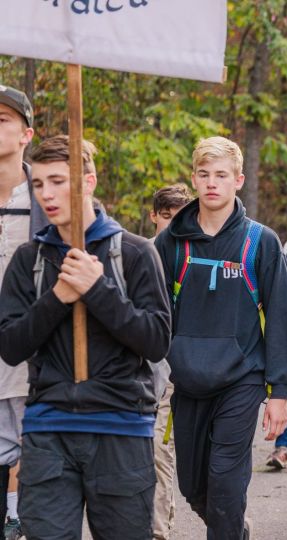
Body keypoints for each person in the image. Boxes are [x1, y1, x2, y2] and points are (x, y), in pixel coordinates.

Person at [0, 135, 171, 538]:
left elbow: (156, 341)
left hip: (122, 428)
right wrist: (58, 298)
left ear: (88, 182)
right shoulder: (31, 260)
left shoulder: (134, 253)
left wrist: (98, 290)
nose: (47, 194)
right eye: (39, 184)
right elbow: (11, 346)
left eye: (58, 181)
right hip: (47, 429)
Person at [155, 136, 287, 539]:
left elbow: (282, 319)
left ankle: (227, 528)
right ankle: (233, 529)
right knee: (193, 487)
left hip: (242, 378)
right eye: (204, 174)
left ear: (238, 180)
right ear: (194, 180)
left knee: (226, 485)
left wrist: (279, 391)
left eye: (221, 175)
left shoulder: (260, 241)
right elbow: (155, 313)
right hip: (187, 380)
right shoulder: (172, 243)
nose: (212, 183)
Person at [0, 85, 45, 540]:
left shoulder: (45, 200)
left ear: (26, 133)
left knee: (34, 464)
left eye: (1, 120)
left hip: (30, 361)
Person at [147, 184, 193, 540]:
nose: (172, 225)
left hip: (184, 373)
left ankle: (226, 522)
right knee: (150, 453)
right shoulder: (137, 254)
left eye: (179, 218)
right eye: (166, 217)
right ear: (154, 216)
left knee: (175, 455)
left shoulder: (194, 256)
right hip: (143, 371)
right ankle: (157, 528)